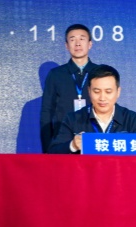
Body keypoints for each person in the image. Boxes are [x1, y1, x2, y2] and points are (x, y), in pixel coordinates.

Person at [48, 64, 136, 154]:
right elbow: (52, 153)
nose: (102, 98)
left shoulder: (131, 119)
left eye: (108, 92)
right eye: (97, 91)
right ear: (89, 91)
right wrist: (72, 145)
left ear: (118, 92)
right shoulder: (73, 119)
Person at [39, 24, 97, 153]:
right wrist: (48, 149)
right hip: (63, 141)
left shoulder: (100, 73)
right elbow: (46, 113)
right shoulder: (56, 74)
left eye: (82, 39)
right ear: (66, 45)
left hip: (95, 139)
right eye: (72, 39)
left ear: (90, 44)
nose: (77, 43)